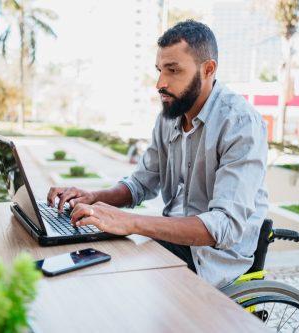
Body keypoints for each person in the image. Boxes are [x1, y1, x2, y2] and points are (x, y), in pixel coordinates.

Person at [47, 20, 268, 288]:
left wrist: (130, 222)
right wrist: (93, 198)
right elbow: (141, 184)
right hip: (169, 241)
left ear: (208, 69)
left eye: (173, 70)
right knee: (81, 257)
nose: (160, 83)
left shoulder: (241, 124)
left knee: (108, 280)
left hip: (213, 258)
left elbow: (224, 226)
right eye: (160, 70)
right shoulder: (168, 117)